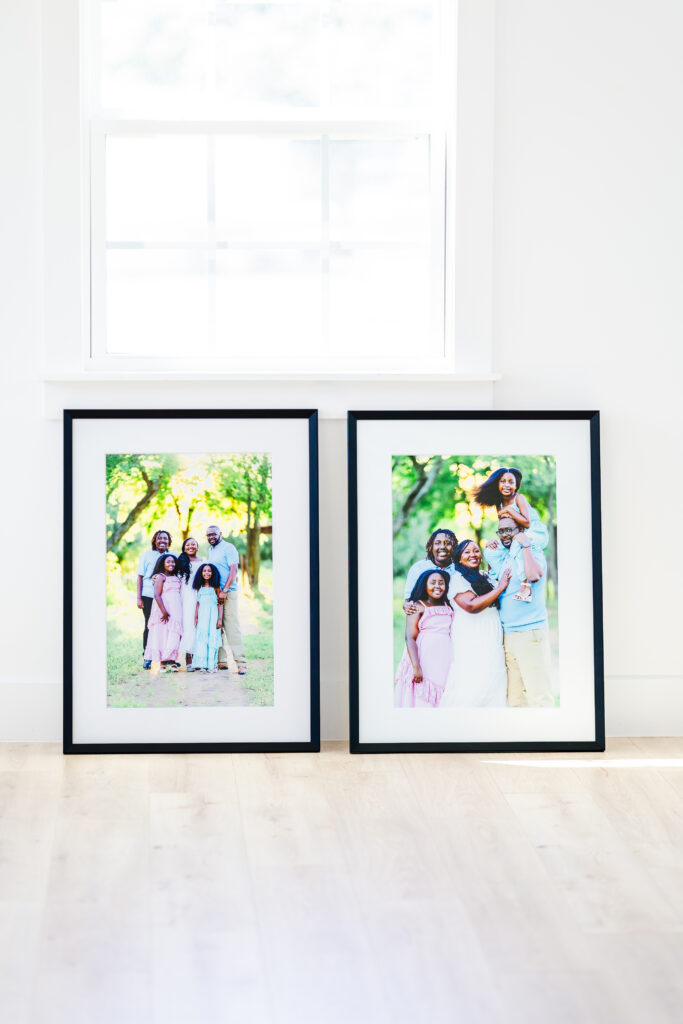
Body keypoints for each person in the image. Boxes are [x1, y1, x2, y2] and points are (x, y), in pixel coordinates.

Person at [485, 515, 554, 707]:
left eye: (509, 529)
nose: (505, 534)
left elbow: (533, 575)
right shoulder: (506, 557)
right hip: (509, 634)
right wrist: (492, 552)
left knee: (539, 694)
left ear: (521, 531)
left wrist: (525, 546)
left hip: (529, 632)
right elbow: (495, 582)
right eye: (501, 531)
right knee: (515, 698)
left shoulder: (533, 551)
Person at [441, 539, 511, 708]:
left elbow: (488, 588)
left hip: (491, 635)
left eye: (476, 551)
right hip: (471, 635)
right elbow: (471, 606)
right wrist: (500, 588)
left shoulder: (483, 576)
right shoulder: (457, 579)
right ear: (459, 559)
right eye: (467, 552)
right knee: (473, 679)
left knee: (492, 677)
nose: (473, 554)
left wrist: (493, 549)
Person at [474, 468, 548, 601]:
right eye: (503, 481)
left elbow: (526, 522)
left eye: (511, 482)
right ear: (498, 484)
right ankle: (495, 579)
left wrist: (508, 509)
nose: (507, 485)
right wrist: (496, 540)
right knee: (490, 552)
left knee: (517, 547)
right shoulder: (499, 503)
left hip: (534, 532)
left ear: (516, 486)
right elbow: (505, 526)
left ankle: (525, 587)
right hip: (516, 534)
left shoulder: (519, 498)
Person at [394, 569, 453, 708]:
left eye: (441, 583)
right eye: (432, 583)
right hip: (424, 657)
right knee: (422, 693)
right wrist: (416, 666)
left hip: (443, 659)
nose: (437, 586)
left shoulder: (448, 606)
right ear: (424, 585)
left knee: (441, 691)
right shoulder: (417, 606)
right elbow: (410, 638)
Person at [205, 525, 247, 675]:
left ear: (220, 534)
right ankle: (221, 661)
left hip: (228, 592)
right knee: (217, 627)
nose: (211, 537)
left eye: (213, 534)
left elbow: (233, 570)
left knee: (231, 626)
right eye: (208, 535)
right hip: (214, 592)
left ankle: (241, 663)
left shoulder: (228, 547)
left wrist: (225, 590)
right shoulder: (211, 550)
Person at [136, 530, 175, 669]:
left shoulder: (172, 555)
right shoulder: (146, 554)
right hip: (148, 595)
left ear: (169, 541)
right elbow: (140, 576)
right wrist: (139, 598)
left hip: (166, 597)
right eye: (160, 538)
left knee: (167, 626)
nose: (162, 541)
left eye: (165, 538)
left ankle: (167, 657)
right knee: (150, 625)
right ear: (154, 540)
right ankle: (147, 657)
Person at [403, 528, 458, 613]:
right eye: (437, 543)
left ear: (454, 547)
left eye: (448, 543)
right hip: (426, 621)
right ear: (431, 547)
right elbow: (408, 600)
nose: (442, 547)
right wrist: (407, 606)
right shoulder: (419, 568)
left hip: (455, 619)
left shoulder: (460, 569)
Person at [144, 553, 183, 671]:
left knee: (174, 633)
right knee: (163, 633)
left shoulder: (177, 576)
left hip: (176, 608)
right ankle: (162, 662)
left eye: (173, 562)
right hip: (163, 608)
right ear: (163, 564)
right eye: (168, 562)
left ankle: (172, 660)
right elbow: (156, 595)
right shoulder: (160, 577)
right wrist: (164, 612)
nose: (171, 564)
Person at [176, 537, 204, 671]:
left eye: (194, 544)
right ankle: (188, 659)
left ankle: (199, 658)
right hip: (184, 597)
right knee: (187, 626)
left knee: (198, 626)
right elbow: (168, 572)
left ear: (197, 547)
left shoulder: (203, 561)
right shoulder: (179, 561)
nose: (191, 546)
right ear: (184, 547)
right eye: (188, 544)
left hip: (199, 595)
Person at [192, 563, 223, 673]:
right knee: (202, 639)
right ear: (201, 573)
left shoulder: (216, 587)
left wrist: (220, 619)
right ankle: (202, 664)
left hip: (213, 615)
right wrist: (195, 617)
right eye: (204, 571)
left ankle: (212, 664)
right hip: (202, 616)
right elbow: (197, 603)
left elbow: (220, 603)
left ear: (213, 573)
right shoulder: (199, 587)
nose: (206, 573)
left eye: (209, 571)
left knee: (212, 638)